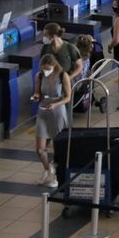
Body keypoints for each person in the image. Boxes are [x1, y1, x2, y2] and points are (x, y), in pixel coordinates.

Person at [32, 54, 71, 188]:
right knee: (40, 149)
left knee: (58, 146)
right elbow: (38, 92)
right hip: (43, 111)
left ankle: (56, 177)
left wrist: (56, 104)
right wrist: (36, 96)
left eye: (48, 68)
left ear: (54, 66)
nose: (46, 71)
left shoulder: (62, 76)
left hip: (57, 111)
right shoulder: (40, 76)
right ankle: (48, 169)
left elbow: (68, 97)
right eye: (43, 68)